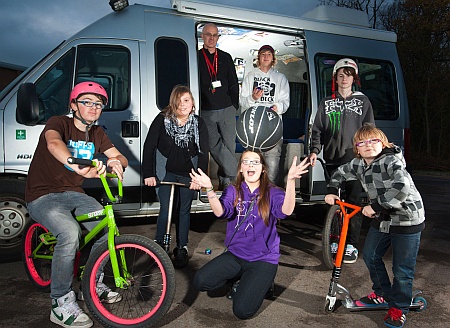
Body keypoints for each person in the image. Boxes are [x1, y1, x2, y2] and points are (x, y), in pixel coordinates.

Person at [25, 82, 128, 328]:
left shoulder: (97, 133)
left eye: (98, 104)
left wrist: (116, 163)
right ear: (73, 105)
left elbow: (119, 155)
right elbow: (53, 144)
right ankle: (60, 302)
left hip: (75, 193)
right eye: (87, 102)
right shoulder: (58, 123)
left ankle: (91, 281)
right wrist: (75, 163)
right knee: (70, 233)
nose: (93, 108)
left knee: (105, 226)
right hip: (42, 195)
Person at [189, 150, 310, 320]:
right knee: (201, 281)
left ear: (263, 169)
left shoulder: (273, 192)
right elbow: (220, 212)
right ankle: (240, 278)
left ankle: (265, 282)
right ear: (240, 168)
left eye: (255, 162)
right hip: (236, 254)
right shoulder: (233, 190)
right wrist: (209, 188)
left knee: (242, 311)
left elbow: (286, 211)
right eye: (246, 161)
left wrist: (290, 181)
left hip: (263, 259)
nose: (250, 165)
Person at [325, 125, 424, 328]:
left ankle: (399, 308)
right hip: (383, 218)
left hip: (406, 219)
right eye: (362, 143)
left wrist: (375, 206)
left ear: (384, 143)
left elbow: (401, 188)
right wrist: (333, 190)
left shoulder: (391, 161)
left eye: (373, 141)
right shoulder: (359, 164)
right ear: (357, 149)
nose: (368, 145)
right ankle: (383, 294)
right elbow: (340, 172)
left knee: (402, 270)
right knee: (370, 255)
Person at [308, 58, 375, 264]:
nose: (344, 78)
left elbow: (369, 130)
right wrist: (314, 151)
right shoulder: (326, 103)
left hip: (355, 161)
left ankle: (352, 244)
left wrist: (368, 154)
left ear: (354, 78)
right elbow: (317, 130)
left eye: (348, 74)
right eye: (340, 74)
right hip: (332, 160)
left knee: (353, 203)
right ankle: (336, 239)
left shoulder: (363, 102)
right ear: (335, 78)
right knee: (334, 200)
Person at [142, 85, 209, 269]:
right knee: (166, 208)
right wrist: (149, 173)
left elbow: (204, 152)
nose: (182, 105)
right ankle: (160, 246)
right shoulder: (162, 120)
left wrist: (199, 179)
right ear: (173, 103)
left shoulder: (199, 123)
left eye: (186, 100)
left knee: (183, 210)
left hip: (189, 174)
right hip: (167, 172)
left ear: (192, 102)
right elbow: (149, 146)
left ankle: (182, 247)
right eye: (179, 101)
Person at [239, 44, 290, 185]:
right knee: (251, 169)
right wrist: (253, 98)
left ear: (273, 58)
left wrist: (276, 107)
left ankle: (269, 201)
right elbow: (242, 102)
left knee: (272, 169)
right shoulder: (250, 76)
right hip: (252, 131)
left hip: (273, 130)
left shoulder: (280, 78)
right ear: (258, 57)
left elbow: (285, 102)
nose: (266, 57)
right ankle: (251, 200)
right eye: (263, 54)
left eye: (269, 54)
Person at [198, 23, 239, 190]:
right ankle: (238, 174)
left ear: (218, 38)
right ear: (202, 36)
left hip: (227, 108)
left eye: (215, 35)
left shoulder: (225, 57)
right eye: (208, 34)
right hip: (206, 110)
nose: (211, 38)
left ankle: (226, 181)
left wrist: (234, 105)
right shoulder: (196, 57)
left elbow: (233, 83)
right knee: (213, 145)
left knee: (229, 145)